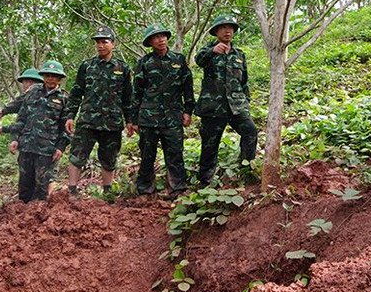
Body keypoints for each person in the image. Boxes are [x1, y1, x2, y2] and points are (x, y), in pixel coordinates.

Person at [63, 26, 133, 196]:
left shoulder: (123, 68)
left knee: (109, 159)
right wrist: (70, 115)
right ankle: (72, 191)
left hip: (112, 123)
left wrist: (130, 120)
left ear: (113, 44)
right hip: (87, 121)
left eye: (104, 42)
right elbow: (76, 92)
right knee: (77, 156)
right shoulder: (86, 66)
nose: (100, 45)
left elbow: (128, 98)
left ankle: (107, 192)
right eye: (98, 42)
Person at [0, 61, 70, 203]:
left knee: (42, 187)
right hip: (27, 146)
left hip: (47, 149)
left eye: (54, 76)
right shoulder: (32, 92)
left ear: (60, 78)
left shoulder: (64, 98)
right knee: (25, 186)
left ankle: (38, 217)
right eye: (47, 75)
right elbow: (22, 119)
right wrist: (7, 132)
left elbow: (66, 127)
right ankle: (22, 216)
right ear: (43, 76)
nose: (50, 78)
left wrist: (60, 147)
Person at [194, 14, 258, 186]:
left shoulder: (239, 55)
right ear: (216, 31)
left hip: (236, 106)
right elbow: (198, 61)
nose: (227, 31)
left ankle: (246, 171)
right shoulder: (207, 50)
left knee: (251, 132)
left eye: (230, 28)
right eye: (223, 28)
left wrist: (246, 102)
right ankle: (205, 182)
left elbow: (243, 81)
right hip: (213, 107)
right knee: (210, 145)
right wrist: (211, 52)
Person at [132, 24, 195, 196]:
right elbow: (136, 92)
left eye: (163, 36)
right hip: (148, 118)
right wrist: (134, 120)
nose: (160, 40)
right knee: (147, 156)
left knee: (175, 154)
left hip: (173, 117)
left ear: (167, 38)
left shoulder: (179, 60)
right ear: (150, 42)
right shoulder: (144, 63)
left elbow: (187, 87)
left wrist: (188, 111)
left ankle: (177, 190)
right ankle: (145, 191)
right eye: (155, 37)